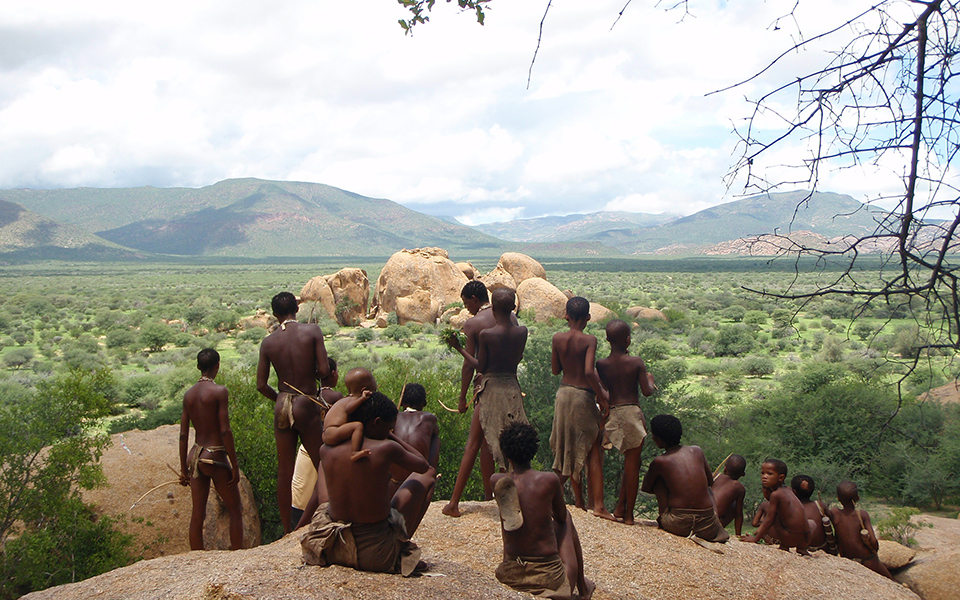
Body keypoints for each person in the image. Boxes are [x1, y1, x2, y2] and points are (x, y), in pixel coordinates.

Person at [300, 392, 436, 576]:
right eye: (389, 428)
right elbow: (423, 465)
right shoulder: (386, 447)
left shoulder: (327, 449)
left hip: (330, 545)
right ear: (377, 422)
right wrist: (393, 438)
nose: (391, 432)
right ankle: (400, 549)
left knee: (325, 472)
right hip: (375, 554)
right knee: (428, 475)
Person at [492, 422, 594, 600]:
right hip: (550, 578)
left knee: (512, 517)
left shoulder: (496, 481)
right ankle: (583, 588)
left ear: (505, 454)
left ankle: (511, 563)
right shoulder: (548, 480)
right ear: (534, 449)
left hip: (513, 574)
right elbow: (560, 517)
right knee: (566, 518)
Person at [257, 291, 330, 533]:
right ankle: (323, 516)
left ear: (275, 314)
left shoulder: (268, 342)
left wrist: (279, 398)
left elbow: (261, 385)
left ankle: (287, 529)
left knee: (284, 470)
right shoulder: (312, 331)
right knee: (323, 462)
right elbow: (324, 370)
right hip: (306, 402)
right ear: (296, 309)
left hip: (282, 403)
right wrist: (311, 371)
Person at [443, 281, 517, 517]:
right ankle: (494, 496)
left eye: (466, 303)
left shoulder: (474, 325)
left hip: (488, 387)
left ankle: (454, 503)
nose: (467, 308)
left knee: (474, 443)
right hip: (512, 387)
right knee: (506, 442)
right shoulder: (512, 319)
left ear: (475, 299)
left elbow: (471, 366)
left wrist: (462, 397)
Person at [550, 296, 612, 519]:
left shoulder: (558, 338)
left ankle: (575, 500)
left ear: (566, 316)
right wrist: (602, 396)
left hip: (563, 394)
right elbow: (588, 371)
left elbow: (555, 370)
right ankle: (599, 506)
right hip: (581, 396)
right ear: (588, 317)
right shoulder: (589, 340)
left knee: (567, 446)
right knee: (592, 447)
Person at [179, 348, 243, 550]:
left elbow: (183, 435)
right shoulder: (219, 392)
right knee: (235, 509)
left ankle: (196, 558)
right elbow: (225, 431)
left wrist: (183, 468)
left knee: (198, 513)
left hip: (195, 455)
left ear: (198, 367)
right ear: (217, 366)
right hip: (214, 455)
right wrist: (234, 464)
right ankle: (239, 556)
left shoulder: (189, 395)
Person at [596, 319, 656, 525]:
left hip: (613, 414)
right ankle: (629, 515)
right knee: (632, 465)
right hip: (631, 413)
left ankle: (619, 507)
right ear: (628, 340)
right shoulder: (636, 362)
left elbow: (603, 390)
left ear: (607, 340)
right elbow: (646, 391)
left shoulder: (601, 364)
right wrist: (650, 379)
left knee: (626, 462)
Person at [640, 414, 729, 542]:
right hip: (707, 525)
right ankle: (715, 517)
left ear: (659, 440)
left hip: (678, 524)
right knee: (707, 488)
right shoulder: (697, 451)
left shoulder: (660, 461)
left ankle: (664, 516)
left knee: (658, 481)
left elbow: (646, 487)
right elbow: (710, 482)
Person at [290, 359, 342, 526]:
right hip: (327, 449)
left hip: (306, 448)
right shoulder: (335, 397)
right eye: (337, 372)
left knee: (301, 495)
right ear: (332, 373)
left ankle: (295, 528)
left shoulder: (308, 396)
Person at [388, 383, 440, 534]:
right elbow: (435, 432)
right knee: (436, 438)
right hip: (416, 482)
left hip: (391, 481)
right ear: (424, 403)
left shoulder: (393, 417)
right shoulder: (429, 418)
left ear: (402, 402)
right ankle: (430, 472)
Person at [741, 459, 812, 555]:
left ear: (781, 477)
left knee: (773, 515)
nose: (764, 476)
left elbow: (769, 520)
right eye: (762, 473)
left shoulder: (776, 494)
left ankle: (784, 545)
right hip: (806, 539)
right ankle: (801, 548)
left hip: (791, 539)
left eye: (769, 474)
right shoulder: (789, 490)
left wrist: (755, 539)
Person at [827, 481, 893, 579]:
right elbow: (873, 541)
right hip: (866, 560)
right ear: (858, 498)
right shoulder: (862, 514)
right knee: (890, 580)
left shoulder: (834, 513)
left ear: (838, 498)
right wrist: (874, 550)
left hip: (847, 560)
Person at [791, 474, 834, 553]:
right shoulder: (820, 505)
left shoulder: (792, 509)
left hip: (802, 548)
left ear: (794, 492)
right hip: (823, 548)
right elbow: (833, 520)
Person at [711, 454, 747, 536]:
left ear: (725, 469)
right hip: (711, 524)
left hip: (698, 517)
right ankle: (718, 529)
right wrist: (738, 535)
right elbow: (738, 514)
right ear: (743, 474)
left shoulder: (715, 475)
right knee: (735, 506)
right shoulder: (739, 487)